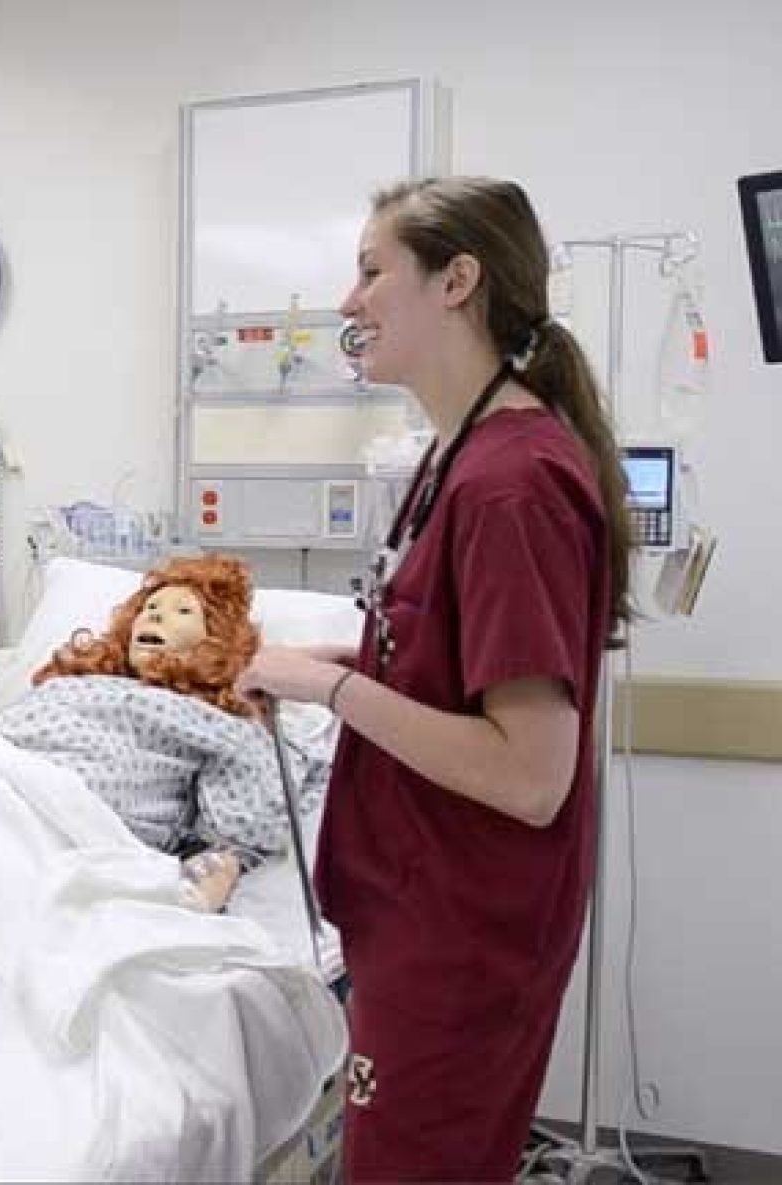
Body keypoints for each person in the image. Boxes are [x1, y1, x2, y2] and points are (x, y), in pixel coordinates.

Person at [236, 176, 632, 1182]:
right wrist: (359, 663)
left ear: (459, 280)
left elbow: (530, 774)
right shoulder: (460, 458)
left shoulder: (511, 486)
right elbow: (455, 669)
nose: (347, 301)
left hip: (462, 935)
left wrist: (335, 693)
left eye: (372, 271)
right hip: (420, 911)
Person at [0, 554, 327, 912]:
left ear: (214, 640)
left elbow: (250, 817)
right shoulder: (75, 682)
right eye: (150, 606)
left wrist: (226, 865)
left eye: (183, 611)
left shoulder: (209, 716)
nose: (155, 615)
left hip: (62, 809)